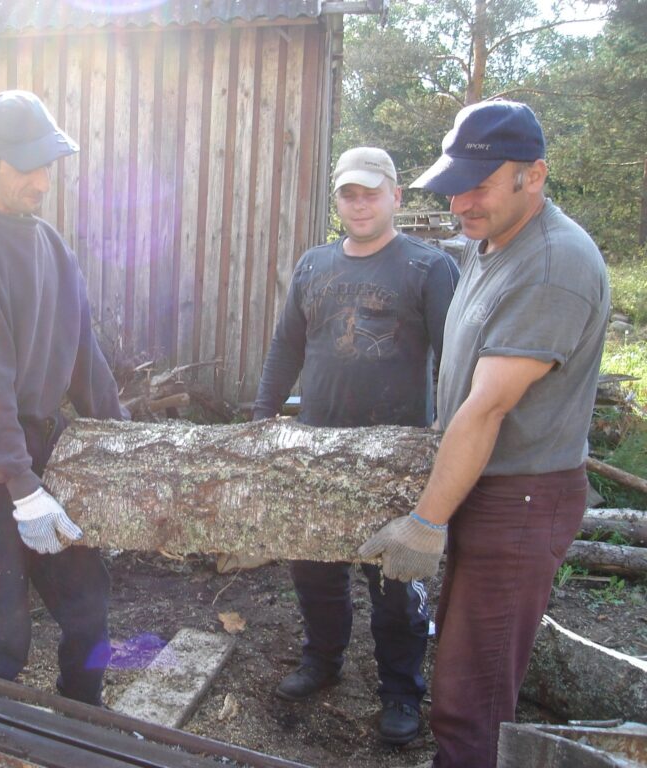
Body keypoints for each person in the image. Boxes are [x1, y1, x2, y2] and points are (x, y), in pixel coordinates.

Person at [359, 101, 610, 767]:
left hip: (520, 498)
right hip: (486, 481)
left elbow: (488, 408)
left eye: (480, 184)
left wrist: (425, 522)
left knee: (474, 689)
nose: (460, 202)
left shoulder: (553, 266)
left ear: (534, 175)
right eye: (453, 185)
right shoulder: (490, 242)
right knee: (463, 660)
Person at [0, 90, 127, 705]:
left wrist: (125, 441)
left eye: (48, 165)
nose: (42, 181)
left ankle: (83, 711)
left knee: (89, 604)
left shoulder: (51, 246)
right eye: (27, 166)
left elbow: (85, 355)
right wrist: (20, 484)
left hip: (48, 450)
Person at [253, 147, 459, 744]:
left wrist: (448, 439)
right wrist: (262, 418)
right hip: (316, 451)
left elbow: (453, 360)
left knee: (396, 583)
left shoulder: (427, 268)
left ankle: (401, 691)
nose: (360, 204)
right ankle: (322, 660)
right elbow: (286, 347)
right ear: (337, 199)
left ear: (396, 196)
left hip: (395, 459)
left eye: (372, 192)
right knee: (315, 570)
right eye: (349, 194)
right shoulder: (314, 265)